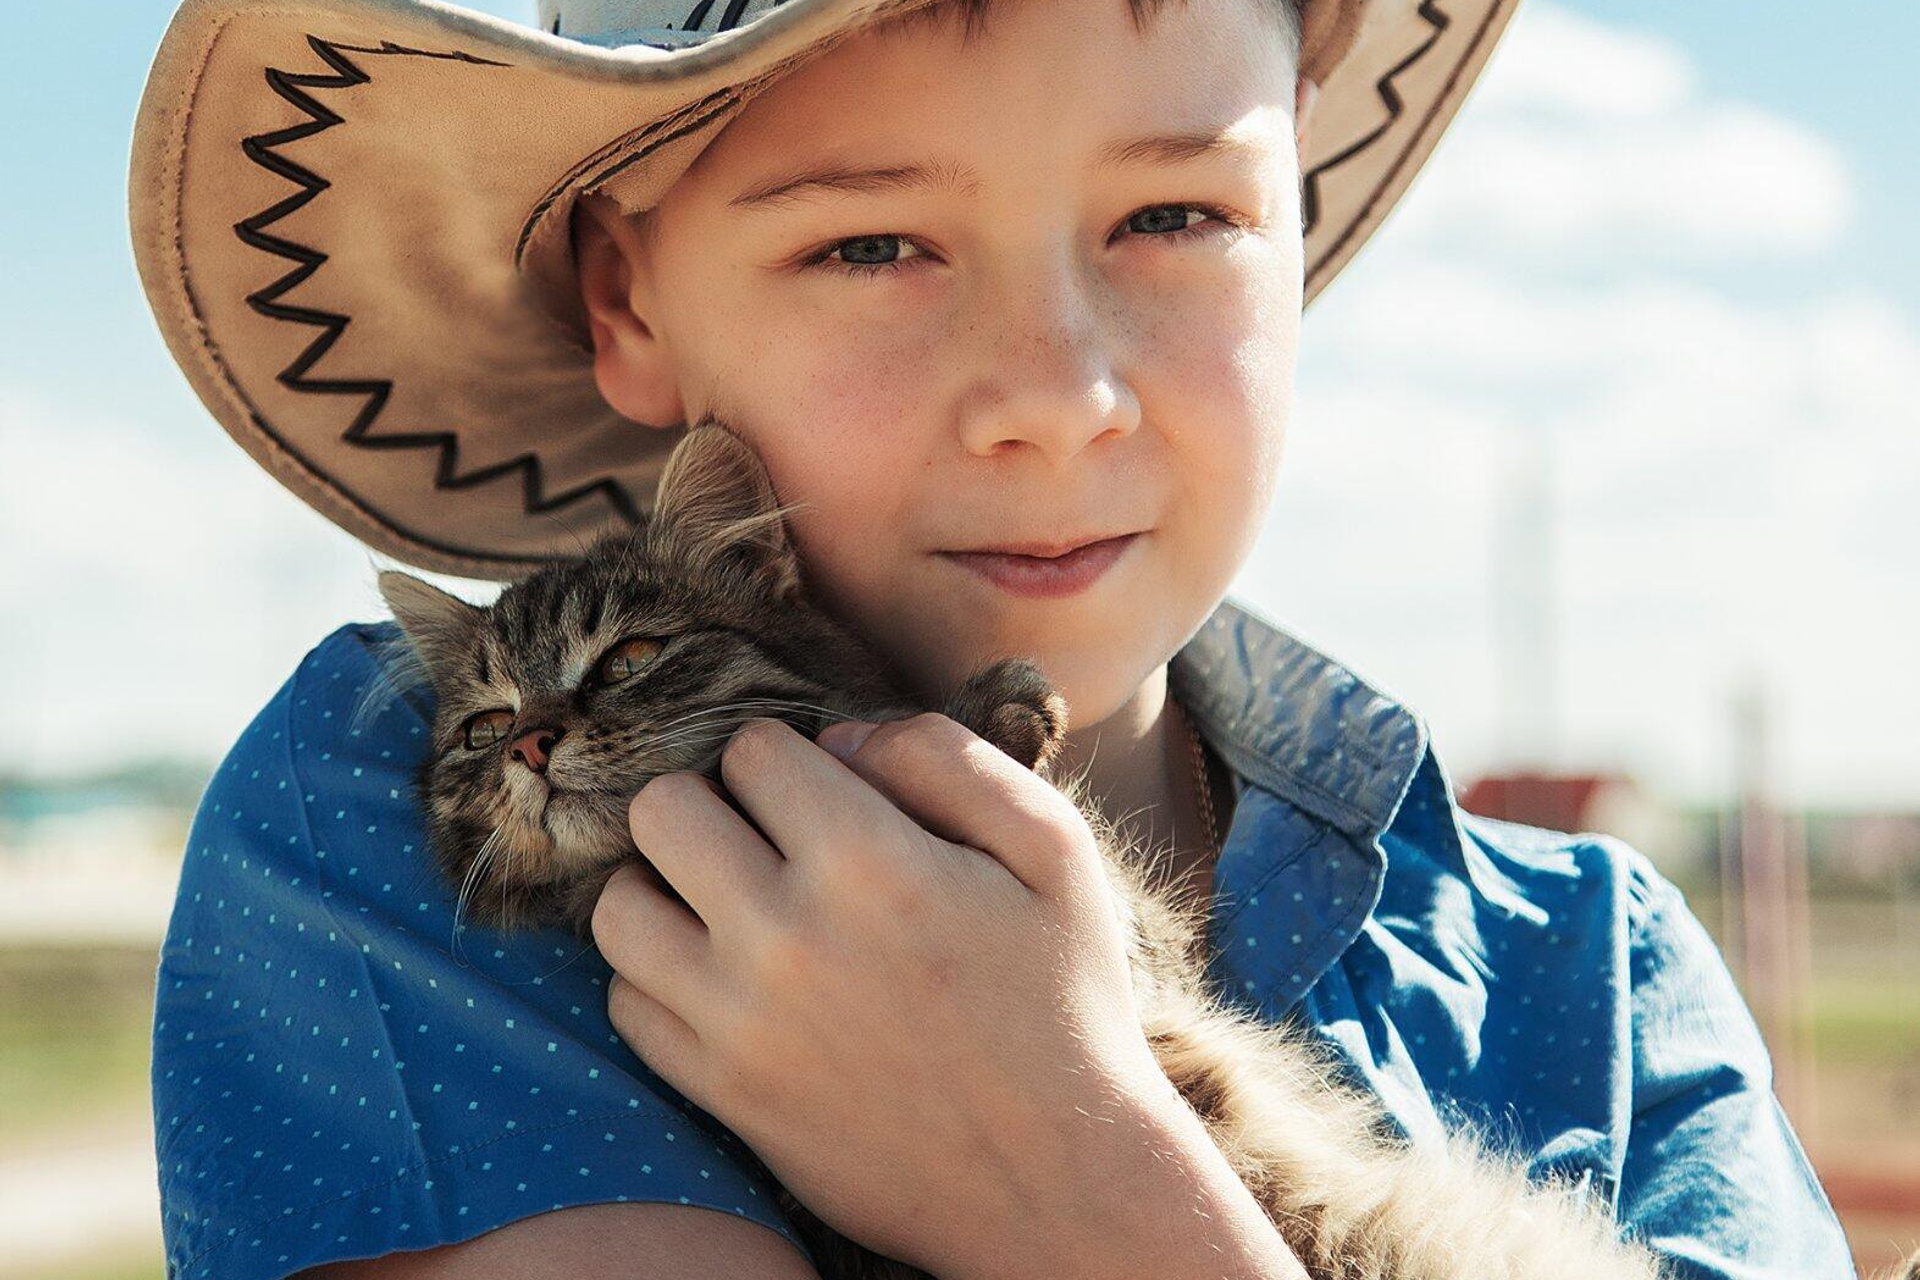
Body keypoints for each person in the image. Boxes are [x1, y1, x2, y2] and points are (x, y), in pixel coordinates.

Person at [129, 0, 1859, 1276]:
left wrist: (1085, 1190)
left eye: (1174, 216)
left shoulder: (1606, 986)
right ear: (627, 305)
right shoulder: (386, 817)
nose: (1059, 398)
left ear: (1298, 226)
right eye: (871, 241)